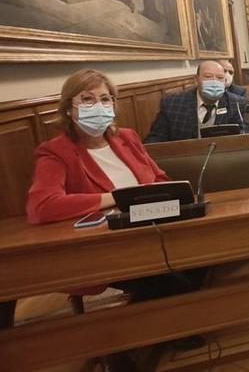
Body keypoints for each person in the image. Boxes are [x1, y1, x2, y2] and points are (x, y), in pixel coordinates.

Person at [24, 69, 205, 370]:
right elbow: (41, 206)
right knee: (173, 280)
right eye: (87, 99)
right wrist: (117, 197)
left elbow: (158, 177)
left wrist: (170, 191)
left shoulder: (127, 138)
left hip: (155, 228)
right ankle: (119, 347)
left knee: (206, 257)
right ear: (69, 108)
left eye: (105, 98)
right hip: (107, 247)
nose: (99, 105)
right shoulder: (57, 151)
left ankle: (163, 329)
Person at [145, 61, 249, 143]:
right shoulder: (172, 104)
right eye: (208, 77)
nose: (214, 82)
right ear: (196, 79)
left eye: (220, 78)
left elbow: (246, 137)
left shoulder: (237, 103)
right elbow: (155, 140)